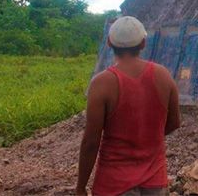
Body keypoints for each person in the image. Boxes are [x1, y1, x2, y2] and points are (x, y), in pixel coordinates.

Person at [76, 16, 181, 196]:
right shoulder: (163, 76)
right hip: (155, 183)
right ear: (143, 43)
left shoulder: (102, 83)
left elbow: (91, 142)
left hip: (113, 185)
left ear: (109, 42)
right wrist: (147, 137)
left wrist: (80, 187)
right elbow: (174, 122)